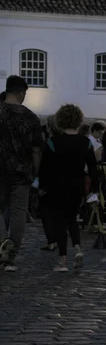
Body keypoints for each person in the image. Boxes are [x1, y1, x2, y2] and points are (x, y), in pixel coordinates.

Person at [38, 104, 98, 272]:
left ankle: (63, 261)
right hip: (77, 185)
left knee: (59, 221)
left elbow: (45, 168)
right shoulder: (85, 142)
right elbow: (93, 168)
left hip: (56, 186)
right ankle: (78, 248)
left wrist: (41, 186)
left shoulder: (53, 142)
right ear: (78, 120)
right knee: (72, 218)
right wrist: (94, 186)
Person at [0, 76, 44, 272]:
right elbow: (36, 150)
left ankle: (2, 243)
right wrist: (35, 171)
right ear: (21, 93)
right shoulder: (31, 118)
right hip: (22, 171)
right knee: (18, 212)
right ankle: (11, 255)